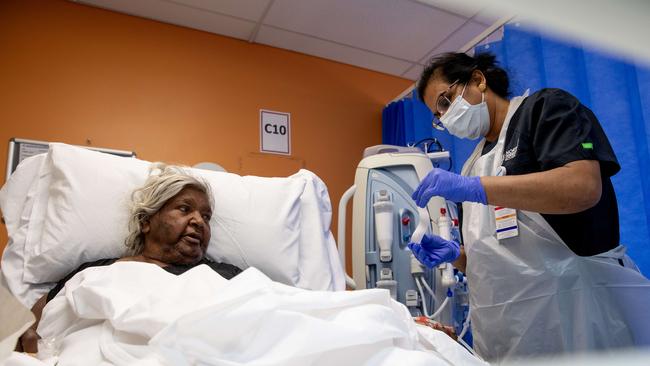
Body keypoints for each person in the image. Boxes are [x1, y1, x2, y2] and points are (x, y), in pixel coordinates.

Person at [408, 52, 650, 362]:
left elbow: (583, 188)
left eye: (445, 101)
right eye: (437, 115)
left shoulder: (544, 109)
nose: (445, 117)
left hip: (575, 317)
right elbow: (498, 261)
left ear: (478, 80)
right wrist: (457, 256)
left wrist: (475, 189)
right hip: (506, 337)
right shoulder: (471, 167)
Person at [17, 164, 241, 353]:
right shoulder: (96, 272)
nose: (199, 221)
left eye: (206, 216)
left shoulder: (226, 276)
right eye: (184, 209)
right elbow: (23, 331)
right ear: (146, 221)